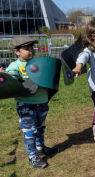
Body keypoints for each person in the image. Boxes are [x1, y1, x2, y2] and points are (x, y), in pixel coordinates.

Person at [0, 36, 59, 169]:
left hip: (42, 102)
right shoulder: (15, 65)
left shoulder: (39, 63)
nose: (31, 51)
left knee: (40, 128)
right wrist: (6, 76)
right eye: (26, 49)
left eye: (32, 48)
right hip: (26, 104)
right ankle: (32, 157)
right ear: (17, 51)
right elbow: (12, 77)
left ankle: (40, 148)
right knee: (30, 131)